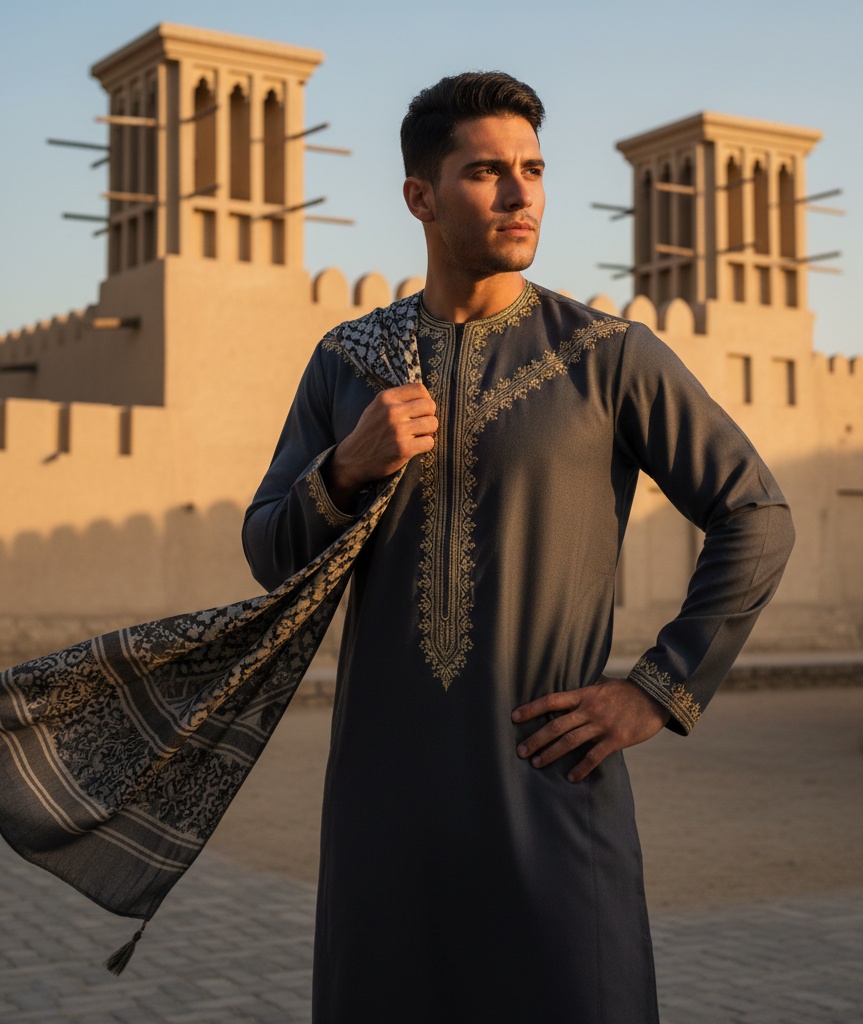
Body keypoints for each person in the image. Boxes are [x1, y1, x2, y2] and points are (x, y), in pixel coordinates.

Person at [242, 71, 795, 1024]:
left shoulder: (609, 355)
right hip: (388, 806)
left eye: (532, 169)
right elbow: (268, 549)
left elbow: (755, 512)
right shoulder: (347, 363)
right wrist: (343, 469)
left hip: (551, 789)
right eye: (486, 171)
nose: (520, 193)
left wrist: (659, 687)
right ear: (420, 195)